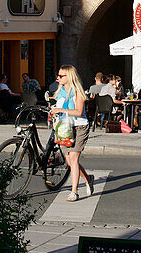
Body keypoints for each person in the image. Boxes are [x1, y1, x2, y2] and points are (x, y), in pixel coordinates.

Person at [49, 65, 93, 201]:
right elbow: (59, 107)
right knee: (69, 160)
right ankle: (88, 178)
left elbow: (79, 112)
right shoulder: (61, 91)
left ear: (69, 77)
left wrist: (61, 110)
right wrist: (54, 111)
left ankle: (74, 191)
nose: (58, 78)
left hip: (79, 127)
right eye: (58, 75)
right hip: (64, 127)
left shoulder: (77, 92)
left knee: (73, 159)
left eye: (61, 76)